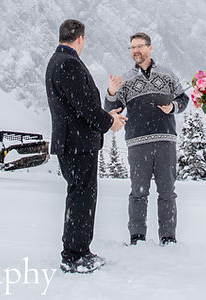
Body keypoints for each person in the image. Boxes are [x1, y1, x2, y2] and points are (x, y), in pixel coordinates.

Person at [46, 19, 127, 274]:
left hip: (72, 141)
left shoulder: (56, 62)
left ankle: (78, 250)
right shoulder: (69, 63)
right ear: (80, 39)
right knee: (82, 197)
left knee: (79, 196)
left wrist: (105, 116)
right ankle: (75, 255)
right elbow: (85, 107)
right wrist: (110, 122)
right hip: (78, 144)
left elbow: (77, 105)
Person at [105, 32, 189, 246]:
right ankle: (137, 237)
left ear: (150, 48)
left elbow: (183, 98)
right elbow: (112, 111)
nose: (136, 51)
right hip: (137, 143)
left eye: (140, 46)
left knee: (167, 192)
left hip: (165, 141)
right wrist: (111, 92)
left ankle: (168, 238)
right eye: (132, 47)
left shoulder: (167, 74)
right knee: (138, 193)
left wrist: (173, 107)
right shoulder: (125, 80)